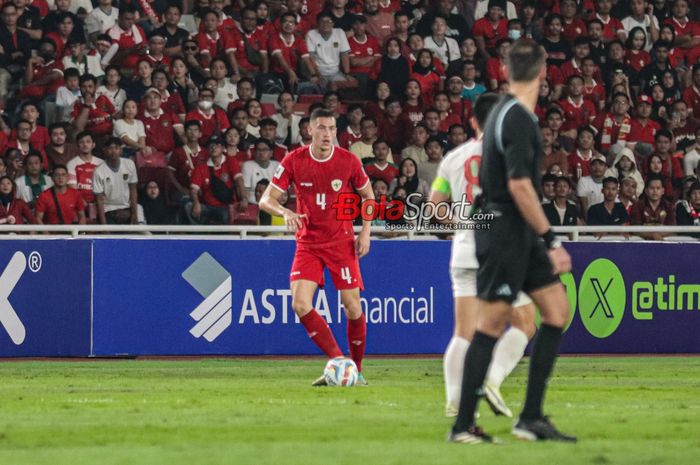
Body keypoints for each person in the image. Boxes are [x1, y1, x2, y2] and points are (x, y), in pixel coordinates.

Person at [450, 40, 575, 444]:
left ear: (505, 72)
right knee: (490, 323)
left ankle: (531, 417)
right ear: (544, 74)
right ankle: (463, 425)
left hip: (513, 230)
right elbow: (520, 185)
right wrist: (552, 238)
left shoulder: (503, 111)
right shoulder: (519, 118)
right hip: (506, 228)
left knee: (556, 310)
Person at [430, 93, 536, 419]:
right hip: (499, 251)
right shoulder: (510, 156)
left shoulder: (452, 158)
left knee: (463, 331)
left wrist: (463, 223)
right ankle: (491, 379)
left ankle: (453, 401)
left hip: (463, 251)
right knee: (526, 322)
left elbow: (434, 206)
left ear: (473, 121)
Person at [259, 108, 374, 386]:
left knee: (352, 307)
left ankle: (355, 371)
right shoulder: (294, 160)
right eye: (322, 128)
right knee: (300, 304)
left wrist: (366, 233)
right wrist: (285, 212)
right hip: (308, 243)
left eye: (332, 129)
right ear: (309, 130)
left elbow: (368, 196)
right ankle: (338, 361)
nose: (328, 134)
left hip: (341, 241)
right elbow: (265, 200)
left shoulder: (348, 160)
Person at [93, 137, 139, 225]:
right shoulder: (98, 171)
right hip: (108, 211)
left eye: (117, 148)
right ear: (105, 150)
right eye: (110, 148)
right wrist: (103, 224)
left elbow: (133, 190)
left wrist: (134, 214)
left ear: (121, 150)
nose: (114, 151)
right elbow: (99, 199)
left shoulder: (129, 164)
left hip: (126, 209)